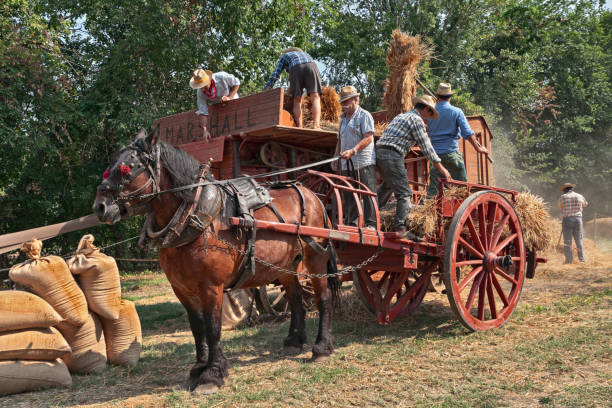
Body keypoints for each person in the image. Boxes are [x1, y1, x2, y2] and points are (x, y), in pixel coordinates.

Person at [376, 95, 452, 239]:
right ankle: (400, 228)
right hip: (392, 154)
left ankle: (372, 219)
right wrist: (442, 169)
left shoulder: (401, 116)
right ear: (425, 108)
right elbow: (427, 148)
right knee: (405, 194)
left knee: (387, 187)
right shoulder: (416, 120)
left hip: (379, 152)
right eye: (430, 113)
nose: (428, 117)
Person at [426, 82, 488, 197]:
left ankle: (429, 211)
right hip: (452, 153)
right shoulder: (456, 111)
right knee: (461, 190)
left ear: (438, 96)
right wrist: (479, 149)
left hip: (435, 156)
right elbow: (468, 133)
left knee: (433, 192)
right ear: (450, 97)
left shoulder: (429, 113)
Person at [332, 86, 376, 228]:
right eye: (342, 102)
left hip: (363, 161)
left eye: (346, 102)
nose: (343, 105)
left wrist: (353, 150)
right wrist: (335, 158)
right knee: (350, 193)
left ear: (356, 100)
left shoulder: (364, 115)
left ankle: (371, 224)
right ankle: (352, 224)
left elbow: (368, 138)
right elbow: (340, 140)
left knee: (367, 192)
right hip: (346, 162)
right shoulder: (342, 119)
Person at [264, 47, 322, 129]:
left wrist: (267, 89)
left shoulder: (285, 56)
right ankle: (316, 125)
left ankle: (299, 126)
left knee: (297, 99)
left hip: (295, 68)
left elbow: (275, 74)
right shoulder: (306, 54)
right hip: (312, 66)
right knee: (315, 97)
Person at [190, 68, 240, 142]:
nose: (203, 89)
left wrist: (229, 97)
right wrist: (205, 130)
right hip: (219, 109)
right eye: (200, 87)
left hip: (234, 103)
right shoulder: (200, 93)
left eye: (204, 85)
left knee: (237, 129)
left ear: (208, 80)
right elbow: (203, 112)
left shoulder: (222, 77)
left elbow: (237, 83)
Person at [558, 182, 588, 263]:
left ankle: (569, 260)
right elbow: (585, 204)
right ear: (571, 188)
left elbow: (560, 207)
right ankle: (582, 260)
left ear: (564, 190)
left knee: (567, 241)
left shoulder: (563, 197)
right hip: (578, 219)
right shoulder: (579, 196)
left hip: (567, 219)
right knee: (579, 240)